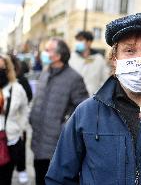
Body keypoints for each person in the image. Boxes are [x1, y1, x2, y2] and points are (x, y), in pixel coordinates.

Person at [46, 13, 141, 185]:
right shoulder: (86, 114)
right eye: (129, 50)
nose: (139, 60)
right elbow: (59, 178)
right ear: (115, 59)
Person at [30, 38, 89, 185]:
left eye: (48, 50)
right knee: (39, 178)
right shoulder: (45, 72)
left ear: (58, 55)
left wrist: (63, 126)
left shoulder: (74, 78)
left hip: (56, 145)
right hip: (38, 141)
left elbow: (82, 109)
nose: (44, 53)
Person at [0, 55, 29, 185]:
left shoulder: (16, 88)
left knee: (5, 177)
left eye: (1, 67)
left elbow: (24, 109)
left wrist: (20, 127)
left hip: (9, 139)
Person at [9, 54, 33, 184]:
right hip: (6, 123)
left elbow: (29, 96)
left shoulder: (21, 80)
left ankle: (21, 169)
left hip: (18, 120)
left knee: (20, 148)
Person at [69, 31, 110, 96]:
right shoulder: (71, 57)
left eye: (80, 40)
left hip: (92, 98)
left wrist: (98, 94)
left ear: (89, 42)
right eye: (77, 40)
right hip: (73, 97)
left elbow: (105, 79)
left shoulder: (99, 59)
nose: (77, 43)